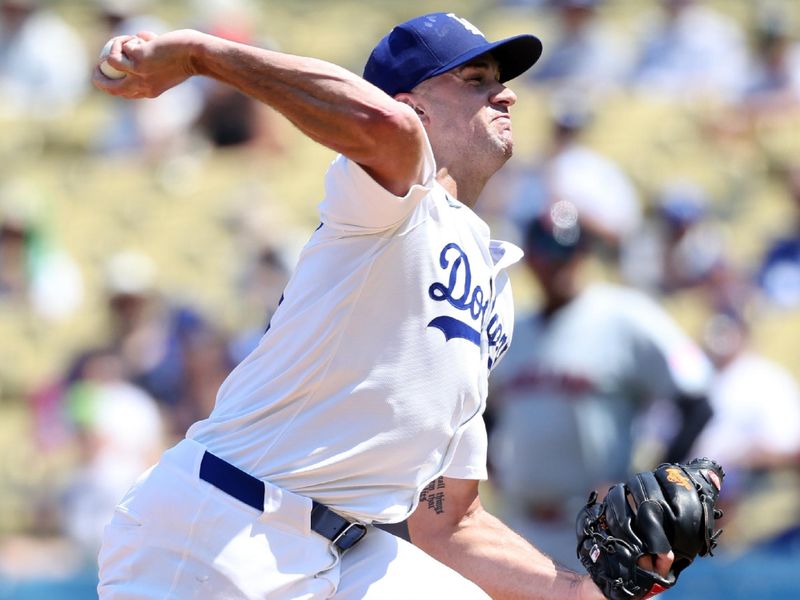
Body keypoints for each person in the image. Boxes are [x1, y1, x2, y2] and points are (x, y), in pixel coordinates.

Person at [92, 13, 674, 599]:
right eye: (476, 79)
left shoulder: (494, 287)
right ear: (414, 108)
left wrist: (586, 592)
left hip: (342, 552)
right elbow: (382, 124)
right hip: (219, 528)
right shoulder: (391, 201)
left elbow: (450, 523)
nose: (507, 92)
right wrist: (200, 54)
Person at [487, 206, 714, 569]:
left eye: (565, 253)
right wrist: (488, 465)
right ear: (530, 259)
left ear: (584, 255)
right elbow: (484, 411)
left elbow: (697, 401)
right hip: (519, 525)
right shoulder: (513, 328)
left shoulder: (624, 315)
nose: (555, 265)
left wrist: (651, 489)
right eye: (546, 254)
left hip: (605, 530)